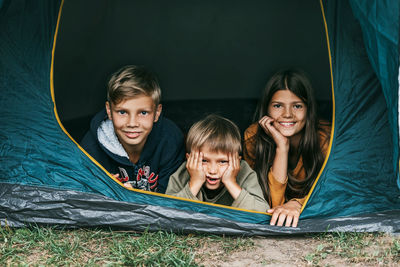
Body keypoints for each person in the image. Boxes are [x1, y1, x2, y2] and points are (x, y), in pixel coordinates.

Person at [243, 69, 330, 227]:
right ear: (266, 108)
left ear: (309, 109)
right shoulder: (253, 137)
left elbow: (333, 190)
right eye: (277, 106)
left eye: (297, 106)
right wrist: (282, 147)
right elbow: (271, 204)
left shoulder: (325, 137)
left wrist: (297, 204)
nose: (287, 114)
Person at [80, 65, 185, 194]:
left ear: (157, 112)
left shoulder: (170, 141)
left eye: (143, 113)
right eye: (123, 112)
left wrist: (130, 196)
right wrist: (103, 192)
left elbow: (171, 199)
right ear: (109, 111)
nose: (132, 123)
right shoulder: (91, 149)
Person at [166, 114, 269, 212]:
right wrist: (195, 183)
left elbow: (261, 212)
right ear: (190, 159)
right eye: (204, 161)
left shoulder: (244, 172)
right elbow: (166, 213)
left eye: (223, 162)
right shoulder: (182, 174)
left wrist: (231, 183)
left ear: (237, 161)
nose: (213, 170)